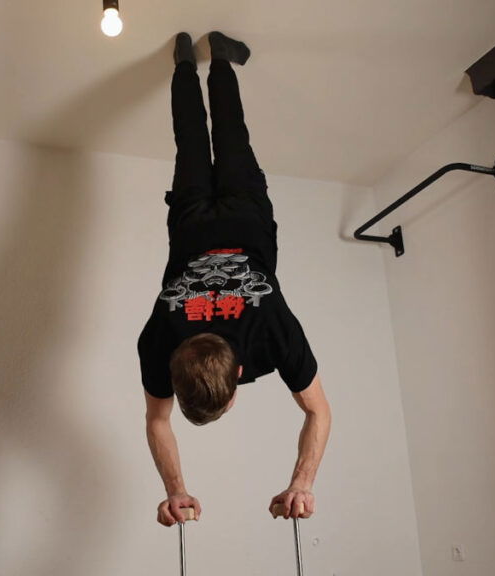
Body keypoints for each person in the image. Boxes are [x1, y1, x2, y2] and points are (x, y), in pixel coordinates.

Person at [138, 32, 331, 528]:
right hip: (192, 219)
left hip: (245, 217)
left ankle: (219, 57)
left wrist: (303, 484)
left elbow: (319, 413)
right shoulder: (160, 340)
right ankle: (187, 62)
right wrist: (174, 490)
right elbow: (158, 420)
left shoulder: (272, 333)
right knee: (197, 139)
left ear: (239, 377)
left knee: (229, 136)